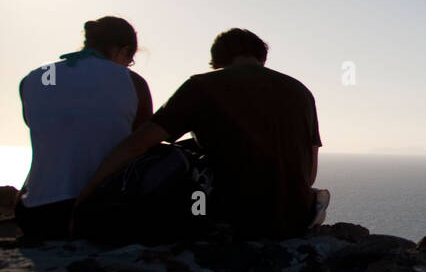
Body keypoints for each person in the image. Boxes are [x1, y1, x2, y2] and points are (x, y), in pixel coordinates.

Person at [77, 28, 327, 239]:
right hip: (293, 220)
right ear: (262, 58)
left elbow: (137, 145)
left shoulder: (202, 86)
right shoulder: (301, 92)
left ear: (216, 61)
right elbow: (311, 173)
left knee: (170, 156)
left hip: (227, 219)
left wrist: (87, 194)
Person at [16, 17, 153, 241]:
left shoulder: (32, 79)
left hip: (35, 216)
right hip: (101, 214)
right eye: (130, 60)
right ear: (124, 51)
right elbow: (141, 145)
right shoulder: (133, 83)